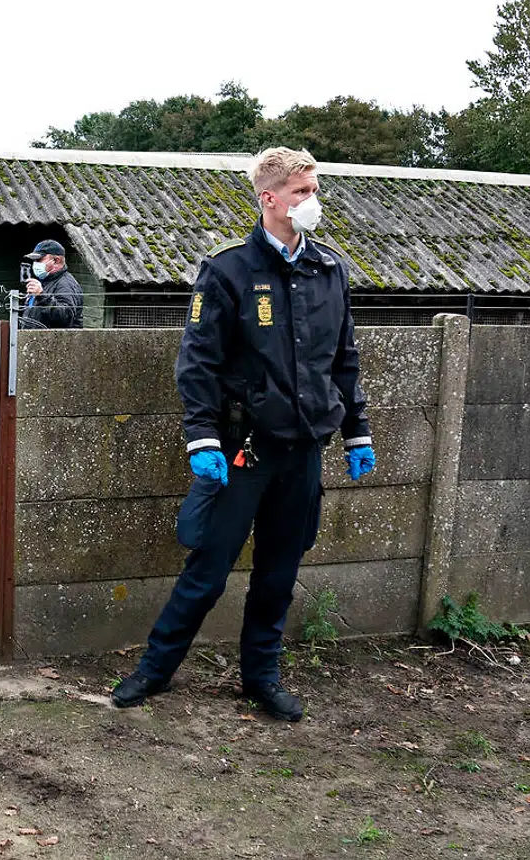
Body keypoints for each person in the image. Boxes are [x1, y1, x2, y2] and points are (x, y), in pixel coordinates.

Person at [111, 147, 377, 722]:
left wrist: (357, 430)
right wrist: (202, 437)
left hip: (303, 451)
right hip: (241, 451)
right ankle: (154, 671)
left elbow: (343, 358)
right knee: (207, 571)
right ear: (270, 198)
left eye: (314, 189)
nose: (313, 202)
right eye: (302, 192)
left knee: (279, 572)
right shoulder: (228, 271)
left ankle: (261, 678)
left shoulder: (330, 270)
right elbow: (198, 362)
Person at [19, 240, 84, 329]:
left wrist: (42, 295)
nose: (35, 264)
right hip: (35, 340)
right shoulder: (45, 281)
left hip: (55, 341)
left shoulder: (66, 284)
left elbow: (66, 318)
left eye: (39, 259)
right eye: (34, 260)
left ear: (56, 261)